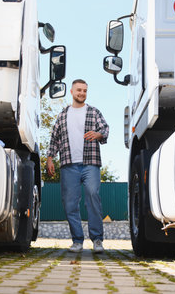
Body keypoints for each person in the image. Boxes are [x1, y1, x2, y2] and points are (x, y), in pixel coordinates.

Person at [47, 79, 109, 253]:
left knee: (93, 197)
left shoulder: (93, 112)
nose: (82, 93)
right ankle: (77, 241)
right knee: (69, 203)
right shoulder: (62, 115)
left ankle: (97, 240)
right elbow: (55, 139)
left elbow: (105, 129)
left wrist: (98, 134)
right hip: (68, 164)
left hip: (91, 163)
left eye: (85, 90)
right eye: (79, 90)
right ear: (72, 92)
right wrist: (50, 158)